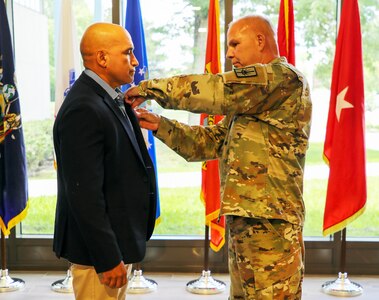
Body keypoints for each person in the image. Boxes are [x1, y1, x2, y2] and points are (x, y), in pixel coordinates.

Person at [126, 14, 312, 299]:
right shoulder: (252, 100)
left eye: (236, 44)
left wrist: (151, 89)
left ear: (260, 40)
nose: (229, 54)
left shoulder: (282, 79)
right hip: (246, 221)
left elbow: (217, 90)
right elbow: (210, 142)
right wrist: (160, 125)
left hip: (272, 226)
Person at [53, 23, 157, 300]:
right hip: (98, 255)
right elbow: (83, 193)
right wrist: (107, 257)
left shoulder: (107, 98)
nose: (135, 61)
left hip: (117, 240)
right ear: (102, 58)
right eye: (128, 53)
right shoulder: (84, 107)